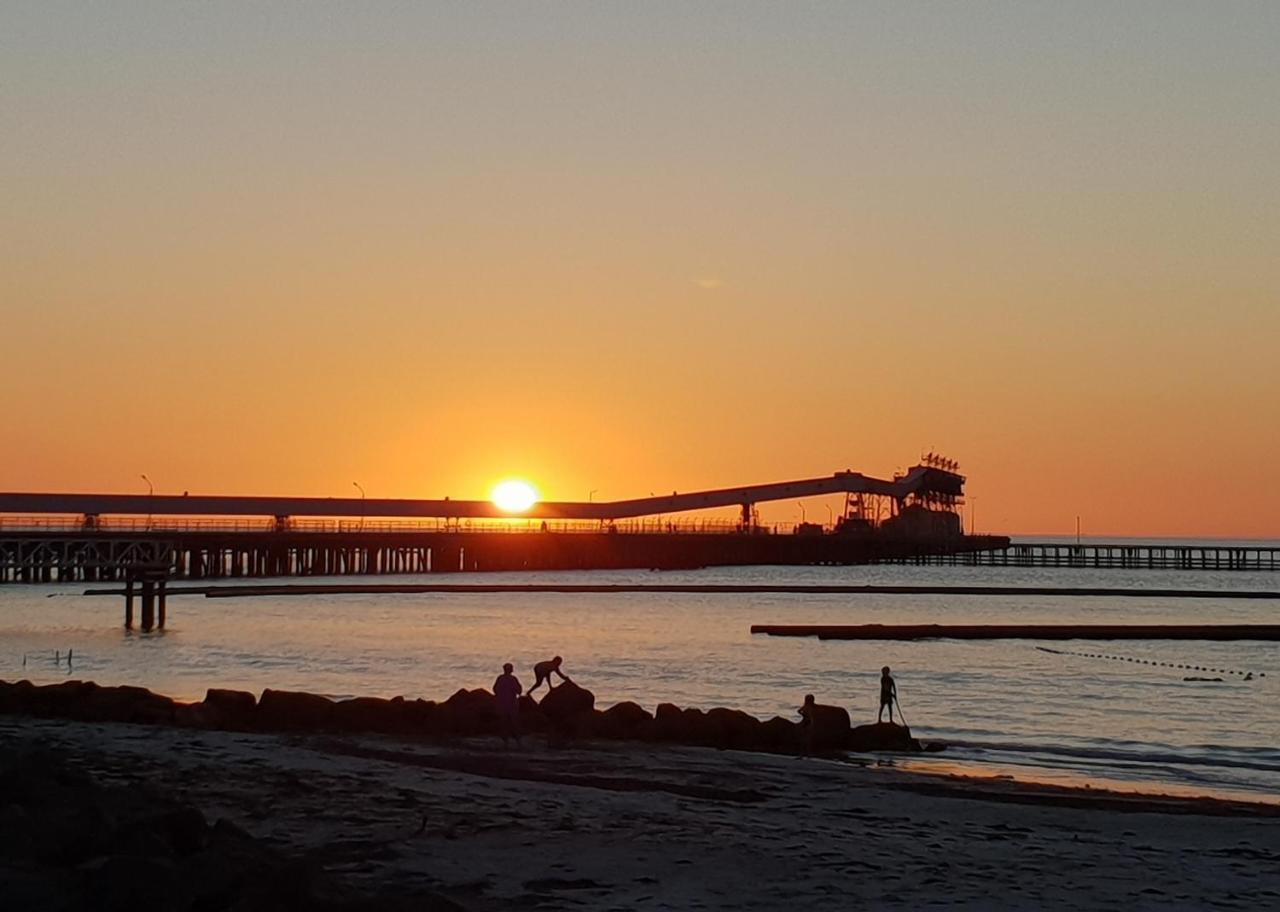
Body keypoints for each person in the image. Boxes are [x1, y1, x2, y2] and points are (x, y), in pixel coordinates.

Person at [493, 662, 523, 745]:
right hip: (512, 704)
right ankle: (517, 740)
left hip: (502, 703)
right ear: (511, 670)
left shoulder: (500, 678)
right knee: (514, 722)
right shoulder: (513, 679)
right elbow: (519, 690)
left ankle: (505, 741)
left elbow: (495, 689)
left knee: (503, 722)